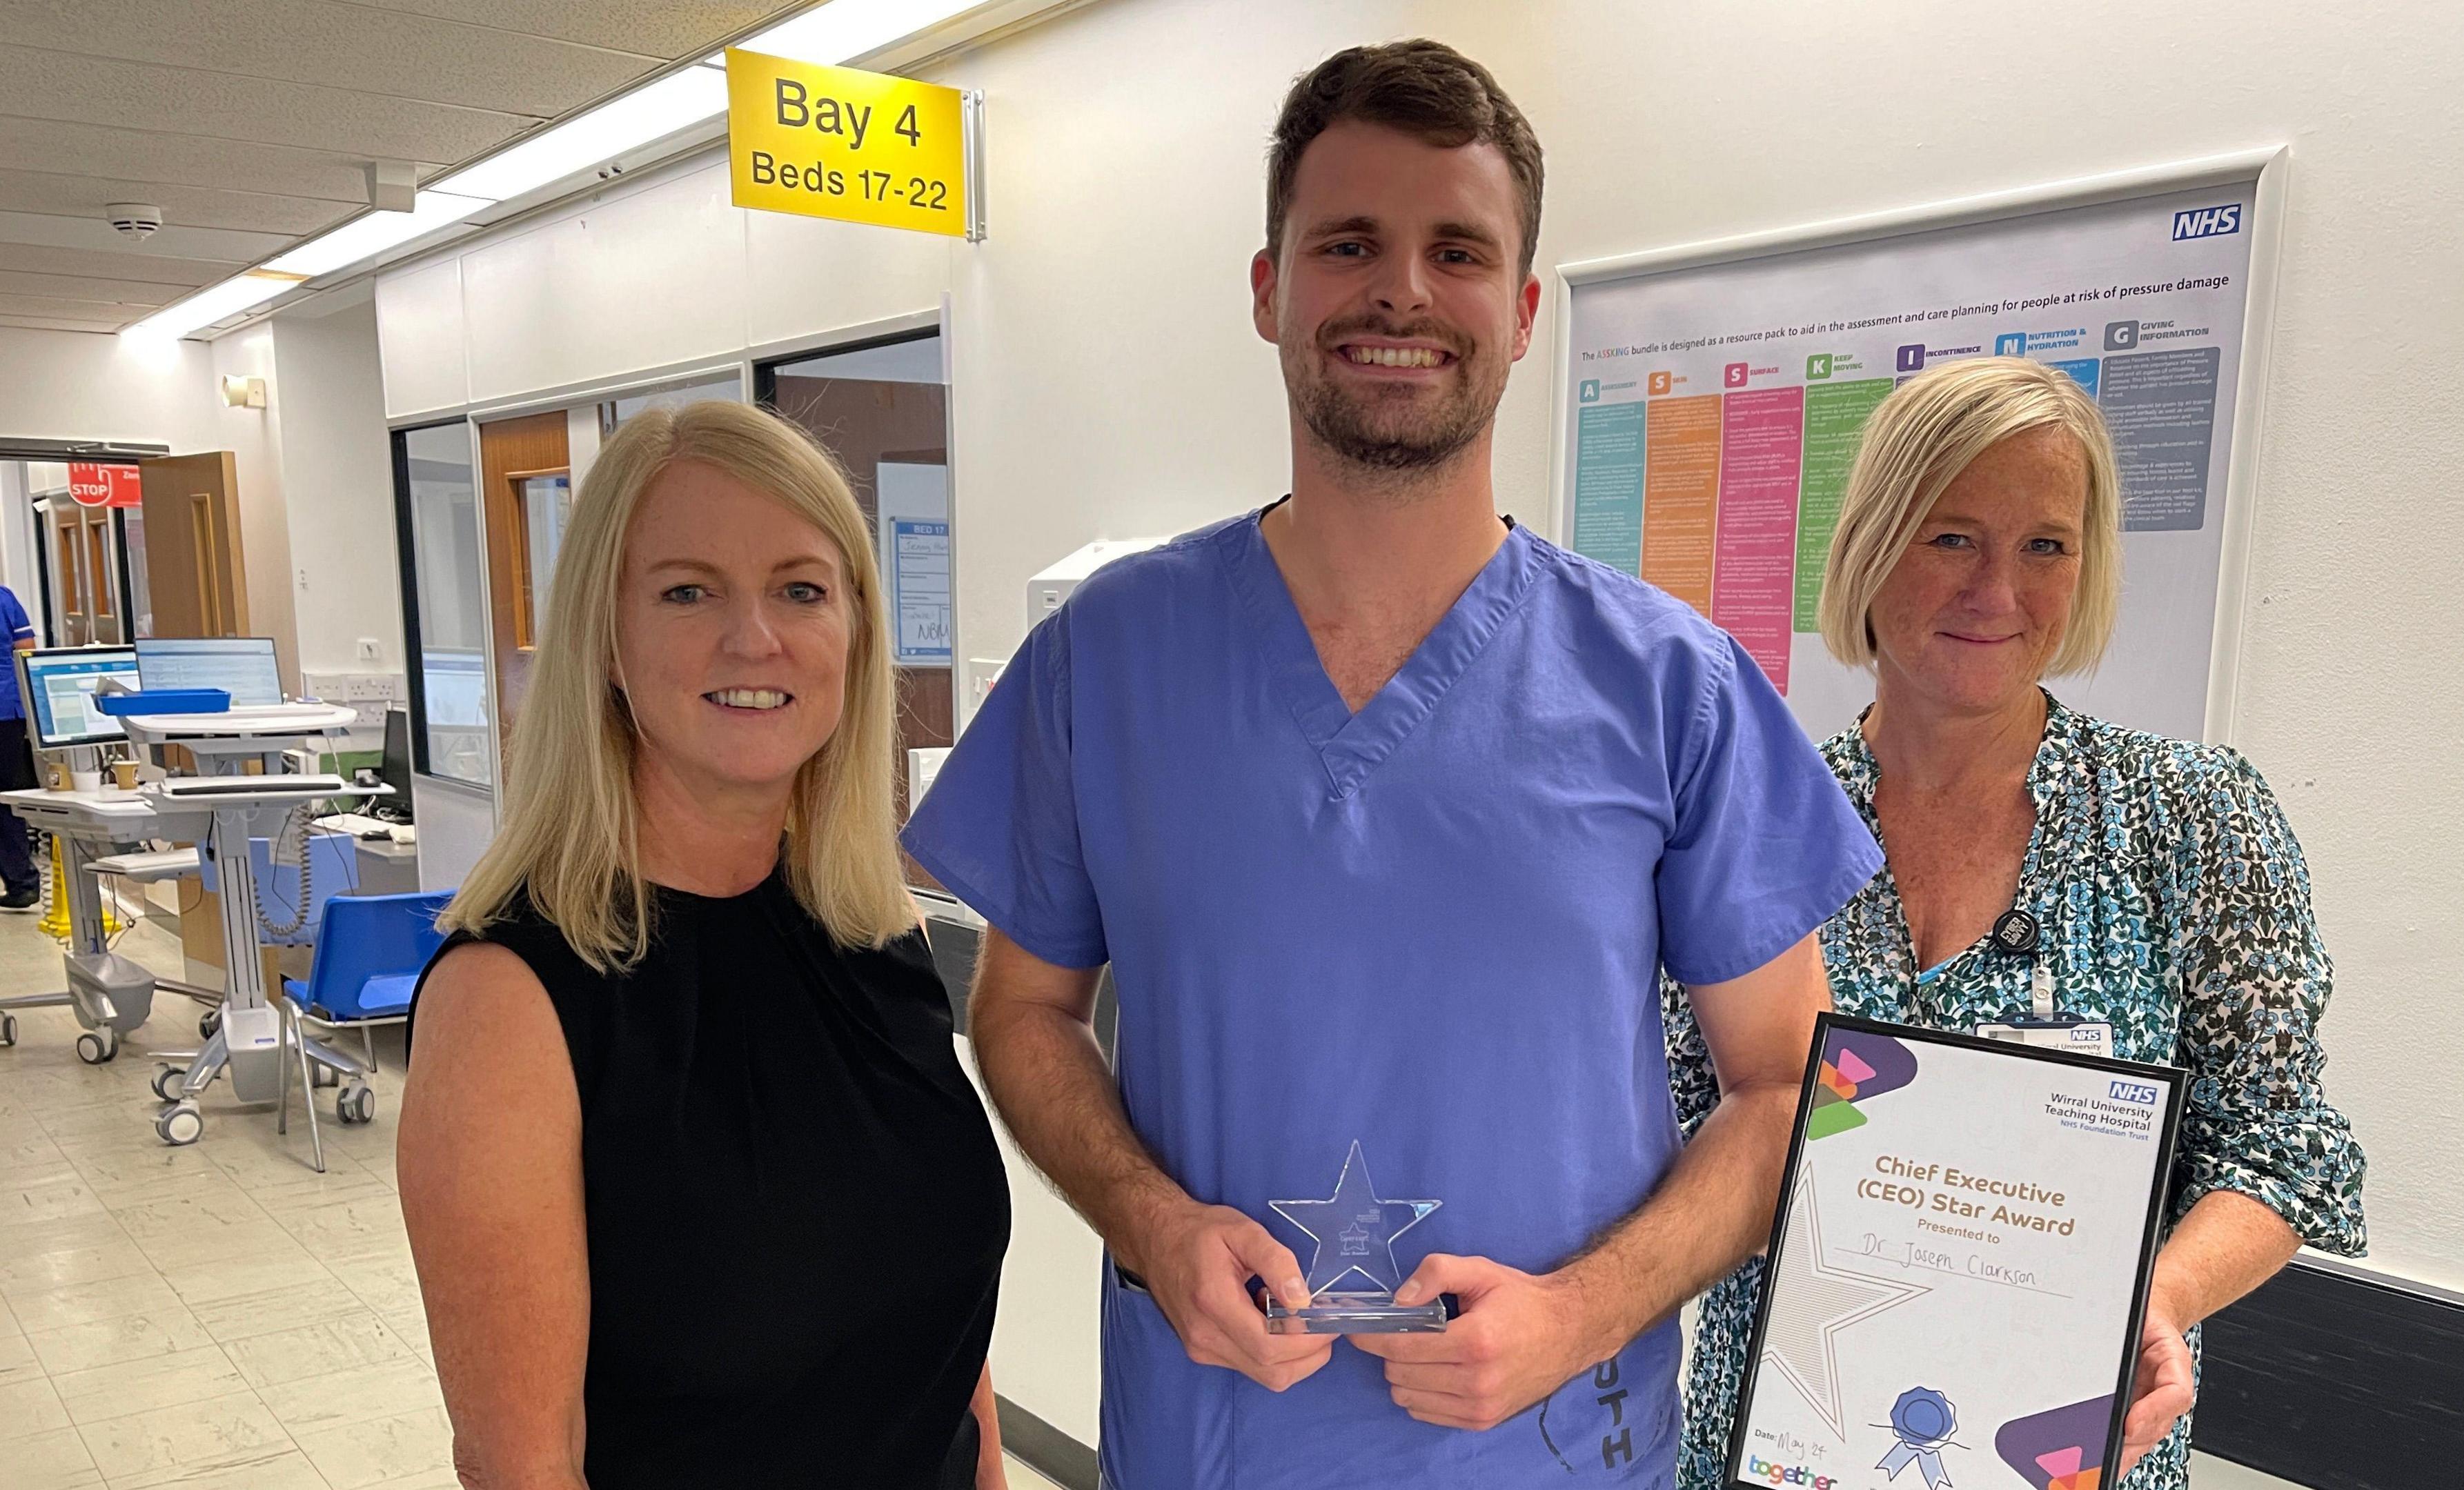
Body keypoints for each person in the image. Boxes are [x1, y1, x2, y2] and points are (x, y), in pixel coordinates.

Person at [902, 40, 1882, 1489]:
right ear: (1268, 287)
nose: (1403, 293)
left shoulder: (1670, 687)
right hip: (1210, 1444)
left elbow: (1790, 1087)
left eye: (1458, 251)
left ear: (1525, 310)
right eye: (1348, 243)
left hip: (1556, 1452)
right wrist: (1154, 1228)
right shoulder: (1107, 660)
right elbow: (1025, 1014)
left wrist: (1578, 1316)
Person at [1667, 357, 2367, 1489]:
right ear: (1875, 543)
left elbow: (2285, 1160)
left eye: (2046, 544)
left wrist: (2159, 1297)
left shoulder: (2189, 825)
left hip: (2063, 1448)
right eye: (1951, 537)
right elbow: (1670, 1130)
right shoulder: (1755, 822)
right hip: (1775, 1451)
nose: (1999, 588)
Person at [397, 402, 1011, 1490]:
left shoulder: (881, 940)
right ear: (605, 637)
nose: (755, 639)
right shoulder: (510, 1002)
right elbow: (523, 1468)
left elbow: (944, 1347)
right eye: (688, 591)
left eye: (801, 589)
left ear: (855, 631)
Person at [0, 584, 41, 910]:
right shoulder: (5, 598)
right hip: (8, 711)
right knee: (4, 797)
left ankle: (22, 883)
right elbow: (26, 650)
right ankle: (22, 882)